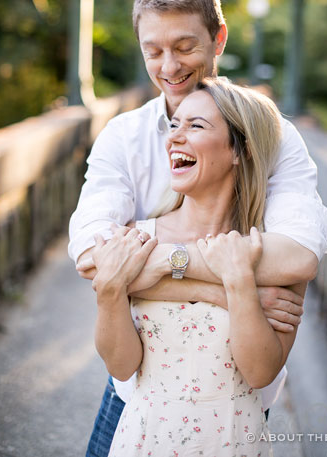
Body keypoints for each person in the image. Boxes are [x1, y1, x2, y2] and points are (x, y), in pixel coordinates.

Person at [68, 0, 327, 457]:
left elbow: (296, 257)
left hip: (237, 403)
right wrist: (227, 289)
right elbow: (92, 256)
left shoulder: (274, 136)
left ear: (219, 39)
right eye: (153, 50)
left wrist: (142, 268)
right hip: (138, 397)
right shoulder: (123, 138)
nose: (169, 66)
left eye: (184, 46)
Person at [93, 77, 307, 456]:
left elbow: (260, 372)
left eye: (196, 126)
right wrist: (110, 292)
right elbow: (122, 366)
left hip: (233, 440)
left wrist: (240, 281)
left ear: (239, 150)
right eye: (175, 124)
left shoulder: (272, 258)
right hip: (145, 438)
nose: (175, 137)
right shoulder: (137, 238)